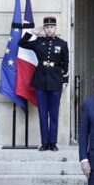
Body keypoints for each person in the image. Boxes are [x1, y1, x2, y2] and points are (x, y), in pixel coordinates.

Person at [18, 16, 69, 151]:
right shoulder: (38, 42)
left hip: (56, 81)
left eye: (51, 27)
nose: (49, 29)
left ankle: (53, 142)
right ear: (44, 28)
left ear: (55, 28)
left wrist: (65, 81)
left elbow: (66, 64)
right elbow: (21, 43)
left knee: (54, 113)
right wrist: (33, 32)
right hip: (40, 81)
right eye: (46, 27)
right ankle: (44, 142)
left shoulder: (62, 44)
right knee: (42, 113)